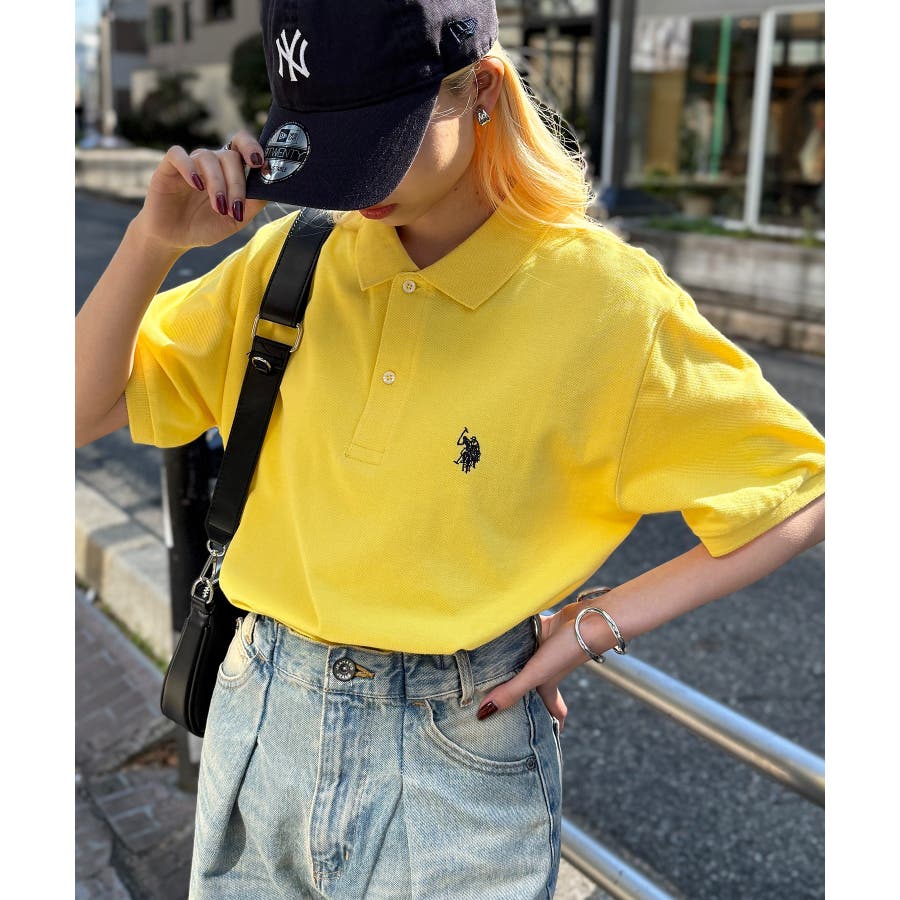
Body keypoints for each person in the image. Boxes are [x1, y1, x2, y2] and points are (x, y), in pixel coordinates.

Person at [75, 1, 825, 897]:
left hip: (457, 749)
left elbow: (798, 486)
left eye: (379, 135)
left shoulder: (608, 303)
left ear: (480, 88)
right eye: (325, 139)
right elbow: (75, 415)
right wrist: (153, 241)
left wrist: (596, 624)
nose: (353, 179)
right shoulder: (291, 261)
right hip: (262, 716)